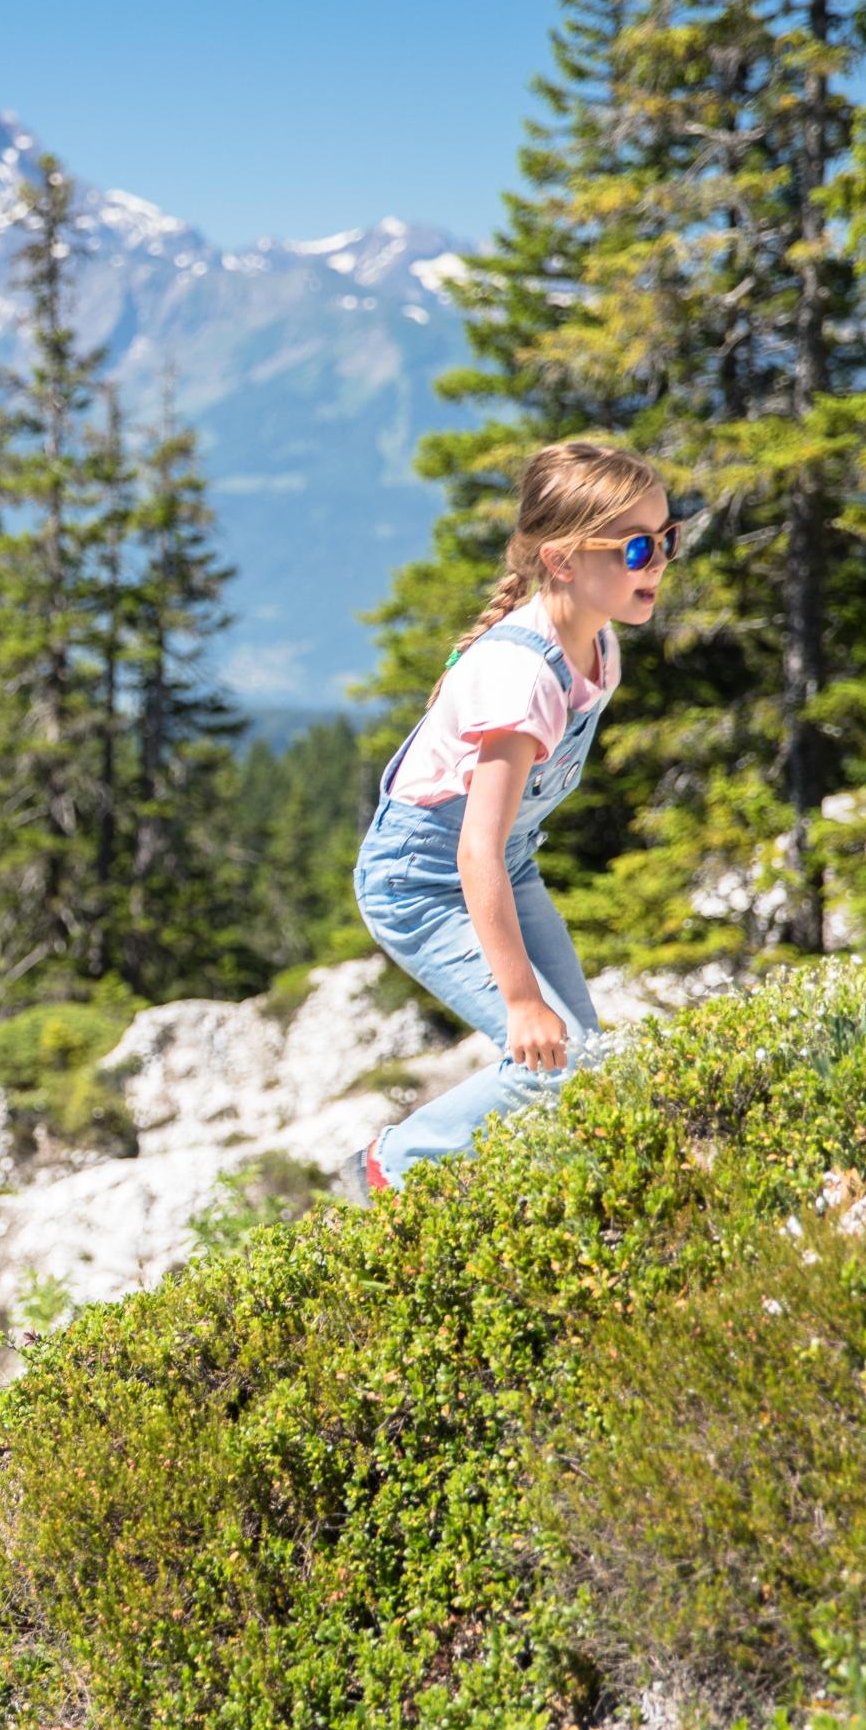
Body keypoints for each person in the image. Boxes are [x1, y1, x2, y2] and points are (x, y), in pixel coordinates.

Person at [338, 441, 671, 1203]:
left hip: (505, 864)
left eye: (666, 538)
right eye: (636, 547)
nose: (656, 562)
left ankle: (563, 1196)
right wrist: (521, 1001)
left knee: (586, 1066)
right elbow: (472, 852)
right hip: (424, 880)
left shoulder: (599, 645)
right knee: (550, 1058)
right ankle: (396, 1163)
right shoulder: (523, 677)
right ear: (560, 560)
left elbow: (499, 851)